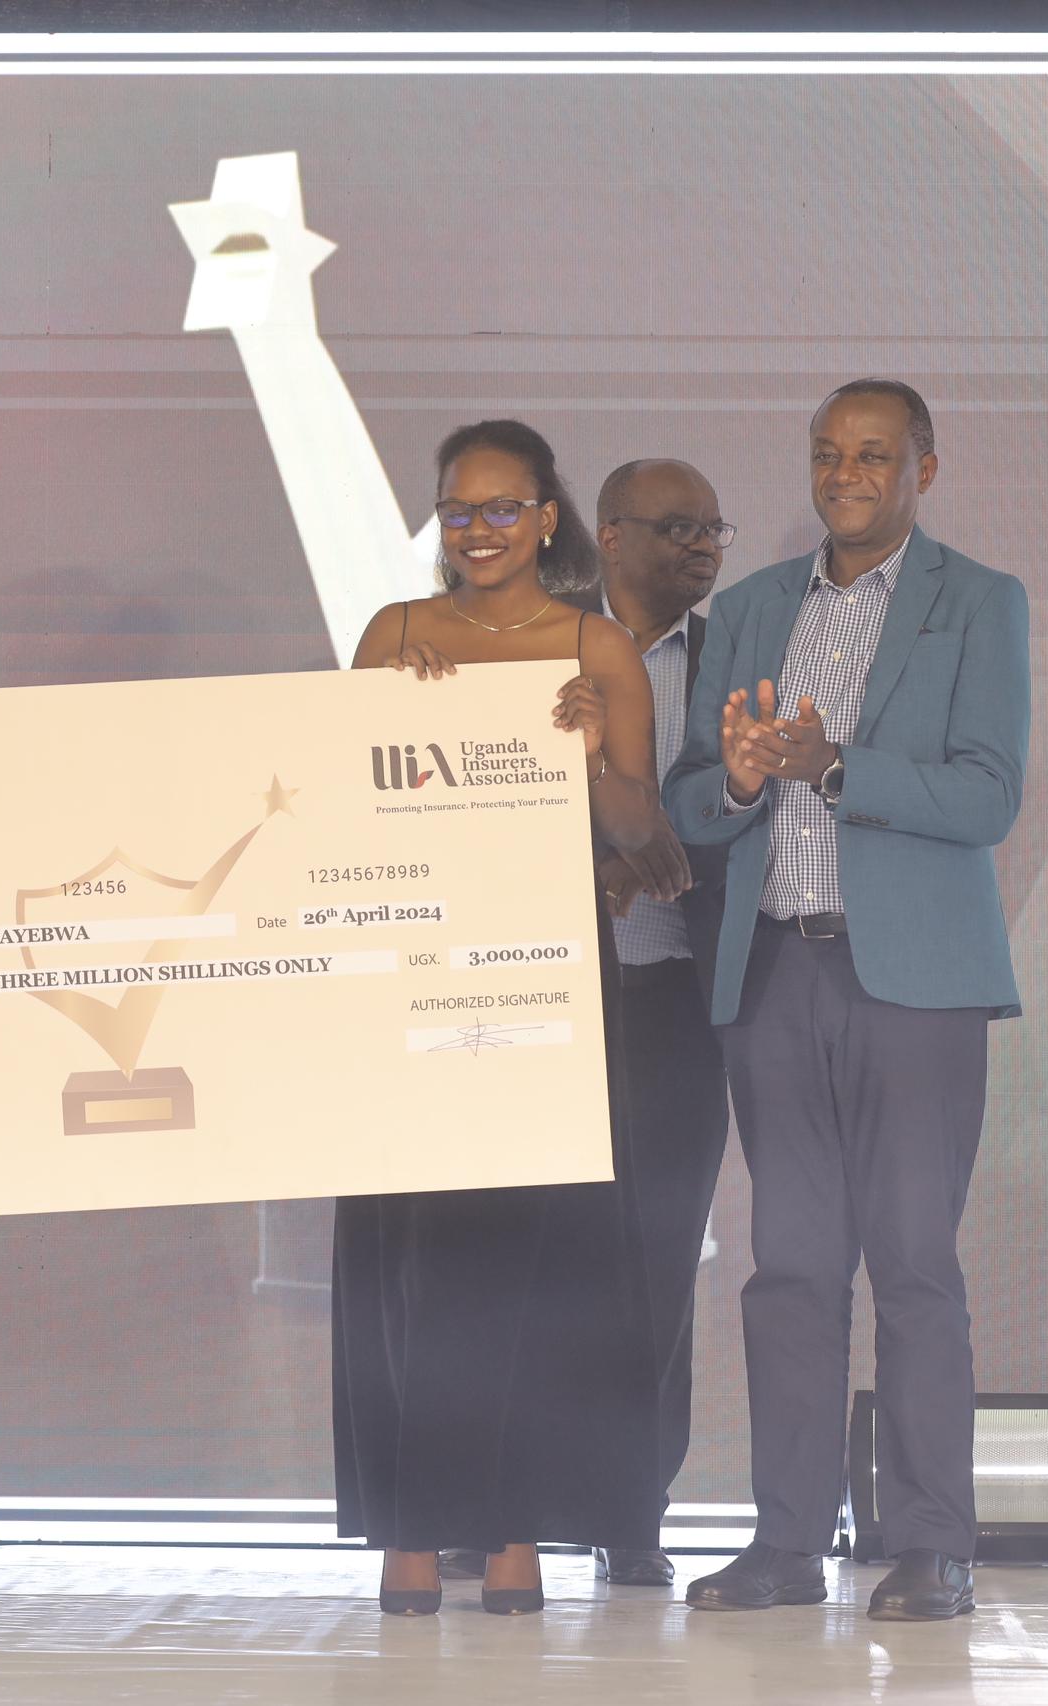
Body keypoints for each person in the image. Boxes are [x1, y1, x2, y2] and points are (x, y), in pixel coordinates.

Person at [667, 380, 1029, 1623]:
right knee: (789, 1270)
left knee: (913, 1263)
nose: (844, 474)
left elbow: (987, 794)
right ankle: (785, 1540)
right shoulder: (750, 609)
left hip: (915, 987)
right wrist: (740, 779)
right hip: (774, 972)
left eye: (873, 454)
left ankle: (931, 1543)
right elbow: (689, 800)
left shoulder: (977, 601)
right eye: (827, 453)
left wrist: (835, 765)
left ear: (925, 464)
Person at [333, 418, 692, 1617]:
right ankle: (408, 1527)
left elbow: (644, 837)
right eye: (458, 508)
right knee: (412, 1266)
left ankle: (513, 1529)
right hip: (407, 982)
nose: (478, 528)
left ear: (546, 518)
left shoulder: (597, 647)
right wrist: (394, 717)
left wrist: (585, 753)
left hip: (547, 992)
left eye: (501, 507)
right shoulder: (393, 636)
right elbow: (330, 800)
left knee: (531, 1269)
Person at [590, 458, 735, 1587]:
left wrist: (671, 851)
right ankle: (488, 1506)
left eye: (712, 530)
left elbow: (753, 810)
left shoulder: (737, 655)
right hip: (544, 1001)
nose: (701, 547)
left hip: (681, 999)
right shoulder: (539, 647)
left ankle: (631, 1507)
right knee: (523, 1259)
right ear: (609, 535)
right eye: (677, 527)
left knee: (657, 1262)